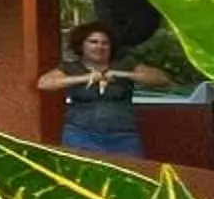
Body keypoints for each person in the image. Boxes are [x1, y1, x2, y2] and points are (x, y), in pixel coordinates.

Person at [39, 21, 170, 157]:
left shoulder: (125, 64)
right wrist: (85, 77)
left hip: (124, 138)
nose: (99, 46)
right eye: (93, 42)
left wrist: (122, 74)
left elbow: (162, 79)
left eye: (104, 43)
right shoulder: (70, 67)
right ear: (81, 45)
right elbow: (44, 83)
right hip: (80, 136)